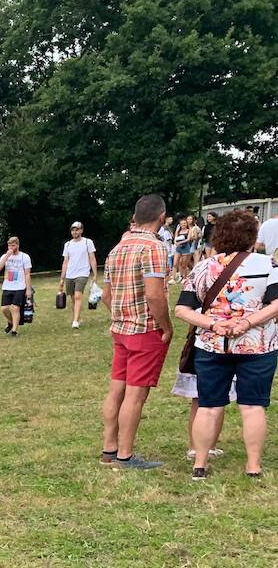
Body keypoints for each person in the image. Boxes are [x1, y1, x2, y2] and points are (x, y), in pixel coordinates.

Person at [174, 210, 278, 480]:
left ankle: (199, 463)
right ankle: (253, 466)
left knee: (208, 406)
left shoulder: (202, 267)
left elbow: (183, 310)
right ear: (252, 237)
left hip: (211, 346)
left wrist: (212, 325)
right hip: (258, 346)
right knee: (253, 406)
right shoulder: (269, 265)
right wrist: (248, 323)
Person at [99, 194, 173, 470]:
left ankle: (109, 449)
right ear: (161, 217)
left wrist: (121, 315)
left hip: (121, 329)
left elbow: (106, 295)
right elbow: (155, 295)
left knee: (116, 389)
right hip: (145, 330)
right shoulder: (154, 247)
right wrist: (166, 327)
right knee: (135, 395)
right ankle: (125, 455)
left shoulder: (117, 248)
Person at [59, 222, 99, 329]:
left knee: (77, 296)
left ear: (81, 230)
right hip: (70, 274)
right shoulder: (67, 244)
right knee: (73, 298)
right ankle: (78, 317)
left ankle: (75, 321)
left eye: (77, 229)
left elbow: (92, 258)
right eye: (73, 230)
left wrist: (95, 274)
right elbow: (65, 262)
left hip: (83, 273)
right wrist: (62, 278)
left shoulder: (87, 242)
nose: (75, 232)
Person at [0, 237, 32, 336]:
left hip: (20, 286)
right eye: (9, 245)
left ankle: (14, 330)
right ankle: (11, 322)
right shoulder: (5, 256)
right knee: (4, 309)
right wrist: (7, 256)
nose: (11, 247)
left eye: (13, 245)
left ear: (17, 245)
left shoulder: (24, 257)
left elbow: (27, 274)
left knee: (15, 308)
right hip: (7, 286)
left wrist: (28, 289)